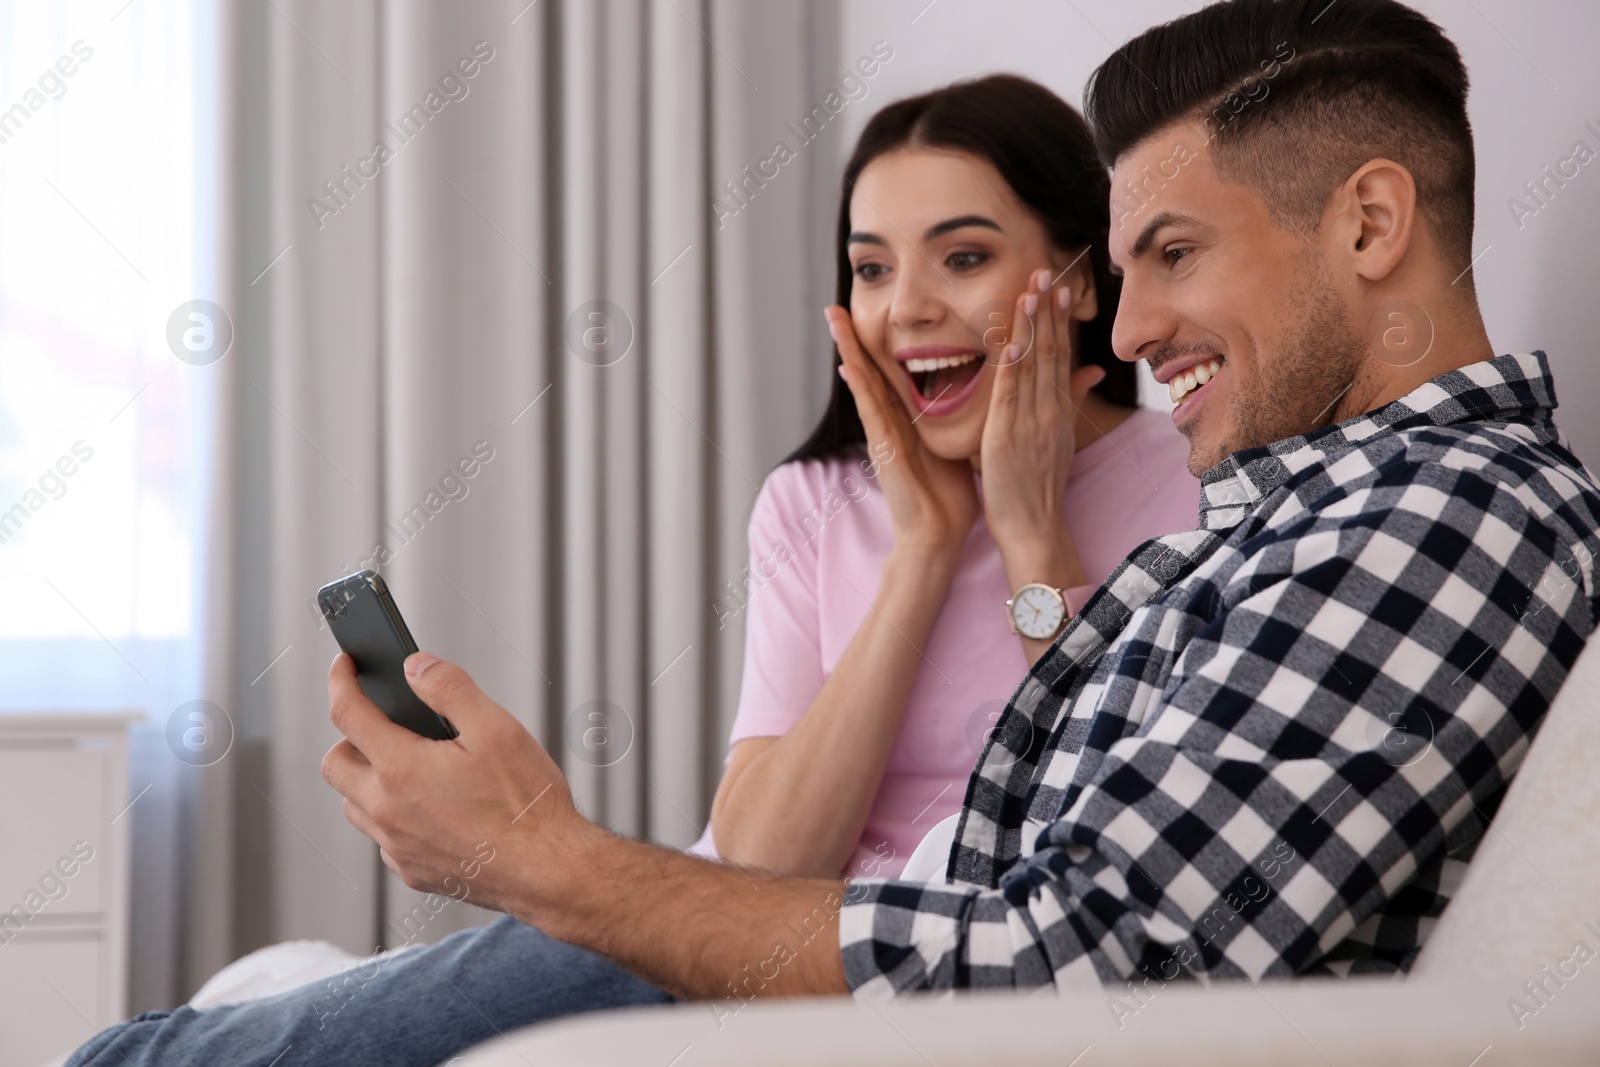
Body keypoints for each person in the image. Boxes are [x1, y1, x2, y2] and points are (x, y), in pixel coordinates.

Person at [65, 0, 1600, 1063]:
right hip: (837, 941)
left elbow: (1084, 962)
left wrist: (552, 858)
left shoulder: (1443, 515)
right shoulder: (1309, 503)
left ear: (1373, 222)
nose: (1129, 328)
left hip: (855, 976)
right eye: (1124, 269)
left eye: (1173, 254)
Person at [696, 74, 1198, 883]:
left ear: (1075, 279)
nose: (906, 308)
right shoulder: (810, 501)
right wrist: (925, 549)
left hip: (948, 962)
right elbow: (756, 863)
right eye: (871, 269)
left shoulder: (1203, 480)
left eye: (962, 257)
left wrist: (1032, 535)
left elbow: (1128, 827)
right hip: (742, 946)